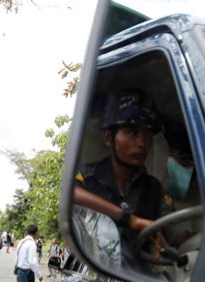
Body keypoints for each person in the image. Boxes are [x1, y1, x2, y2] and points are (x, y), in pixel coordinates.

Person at [73, 87, 174, 237]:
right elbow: (72, 193)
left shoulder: (155, 189)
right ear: (109, 138)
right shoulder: (86, 176)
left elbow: (177, 233)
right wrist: (129, 220)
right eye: (132, 132)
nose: (142, 143)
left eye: (147, 134)